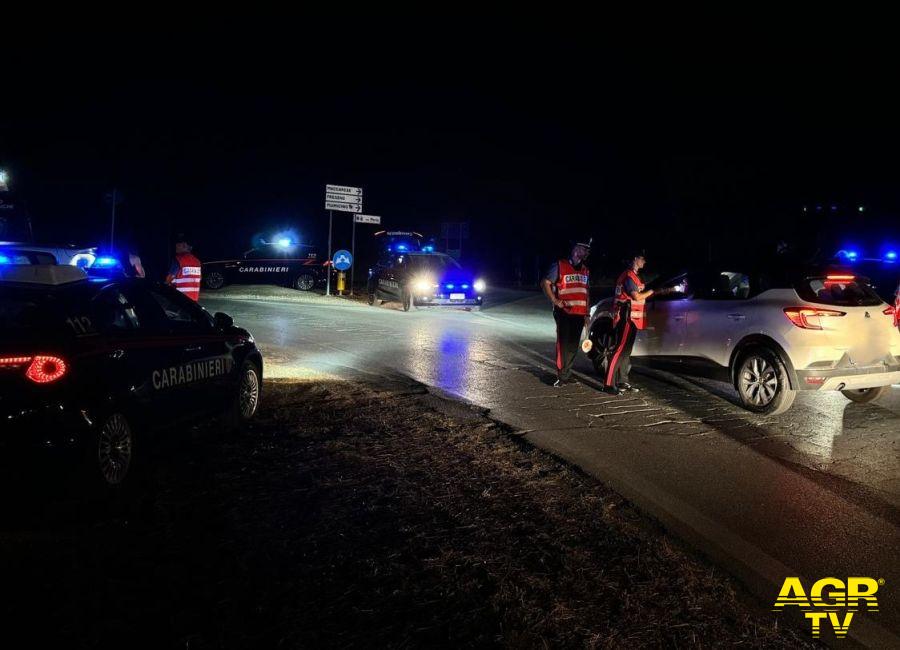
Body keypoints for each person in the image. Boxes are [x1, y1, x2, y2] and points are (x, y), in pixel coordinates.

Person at [541, 238, 592, 387]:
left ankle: (567, 373)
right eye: (584, 249)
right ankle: (561, 375)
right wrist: (555, 301)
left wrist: (587, 314)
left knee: (573, 345)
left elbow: (587, 293)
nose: (587, 252)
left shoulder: (586, 270)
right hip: (564, 312)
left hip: (579, 313)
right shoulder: (559, 265)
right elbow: (545, 283)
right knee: (563, 344)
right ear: (576, 249)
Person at [604, 251, 655, 395]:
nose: (645, 262)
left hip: (633, 317)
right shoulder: (628, 276)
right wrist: (651, 291)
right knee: (619, 349)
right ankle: (608, 384)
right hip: (626, 316)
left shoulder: (635, 276)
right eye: (642, 259)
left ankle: (623, 382)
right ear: (635, 259)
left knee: (626, 351)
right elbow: (636, 296)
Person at [165, 234, 202, 301]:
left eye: (178, 244)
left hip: (179, 300)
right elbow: (199, 279)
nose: (176, 246)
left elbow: (168, 280)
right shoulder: (197, 262)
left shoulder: (178, 260)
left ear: (184, 245)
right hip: (193, 300)